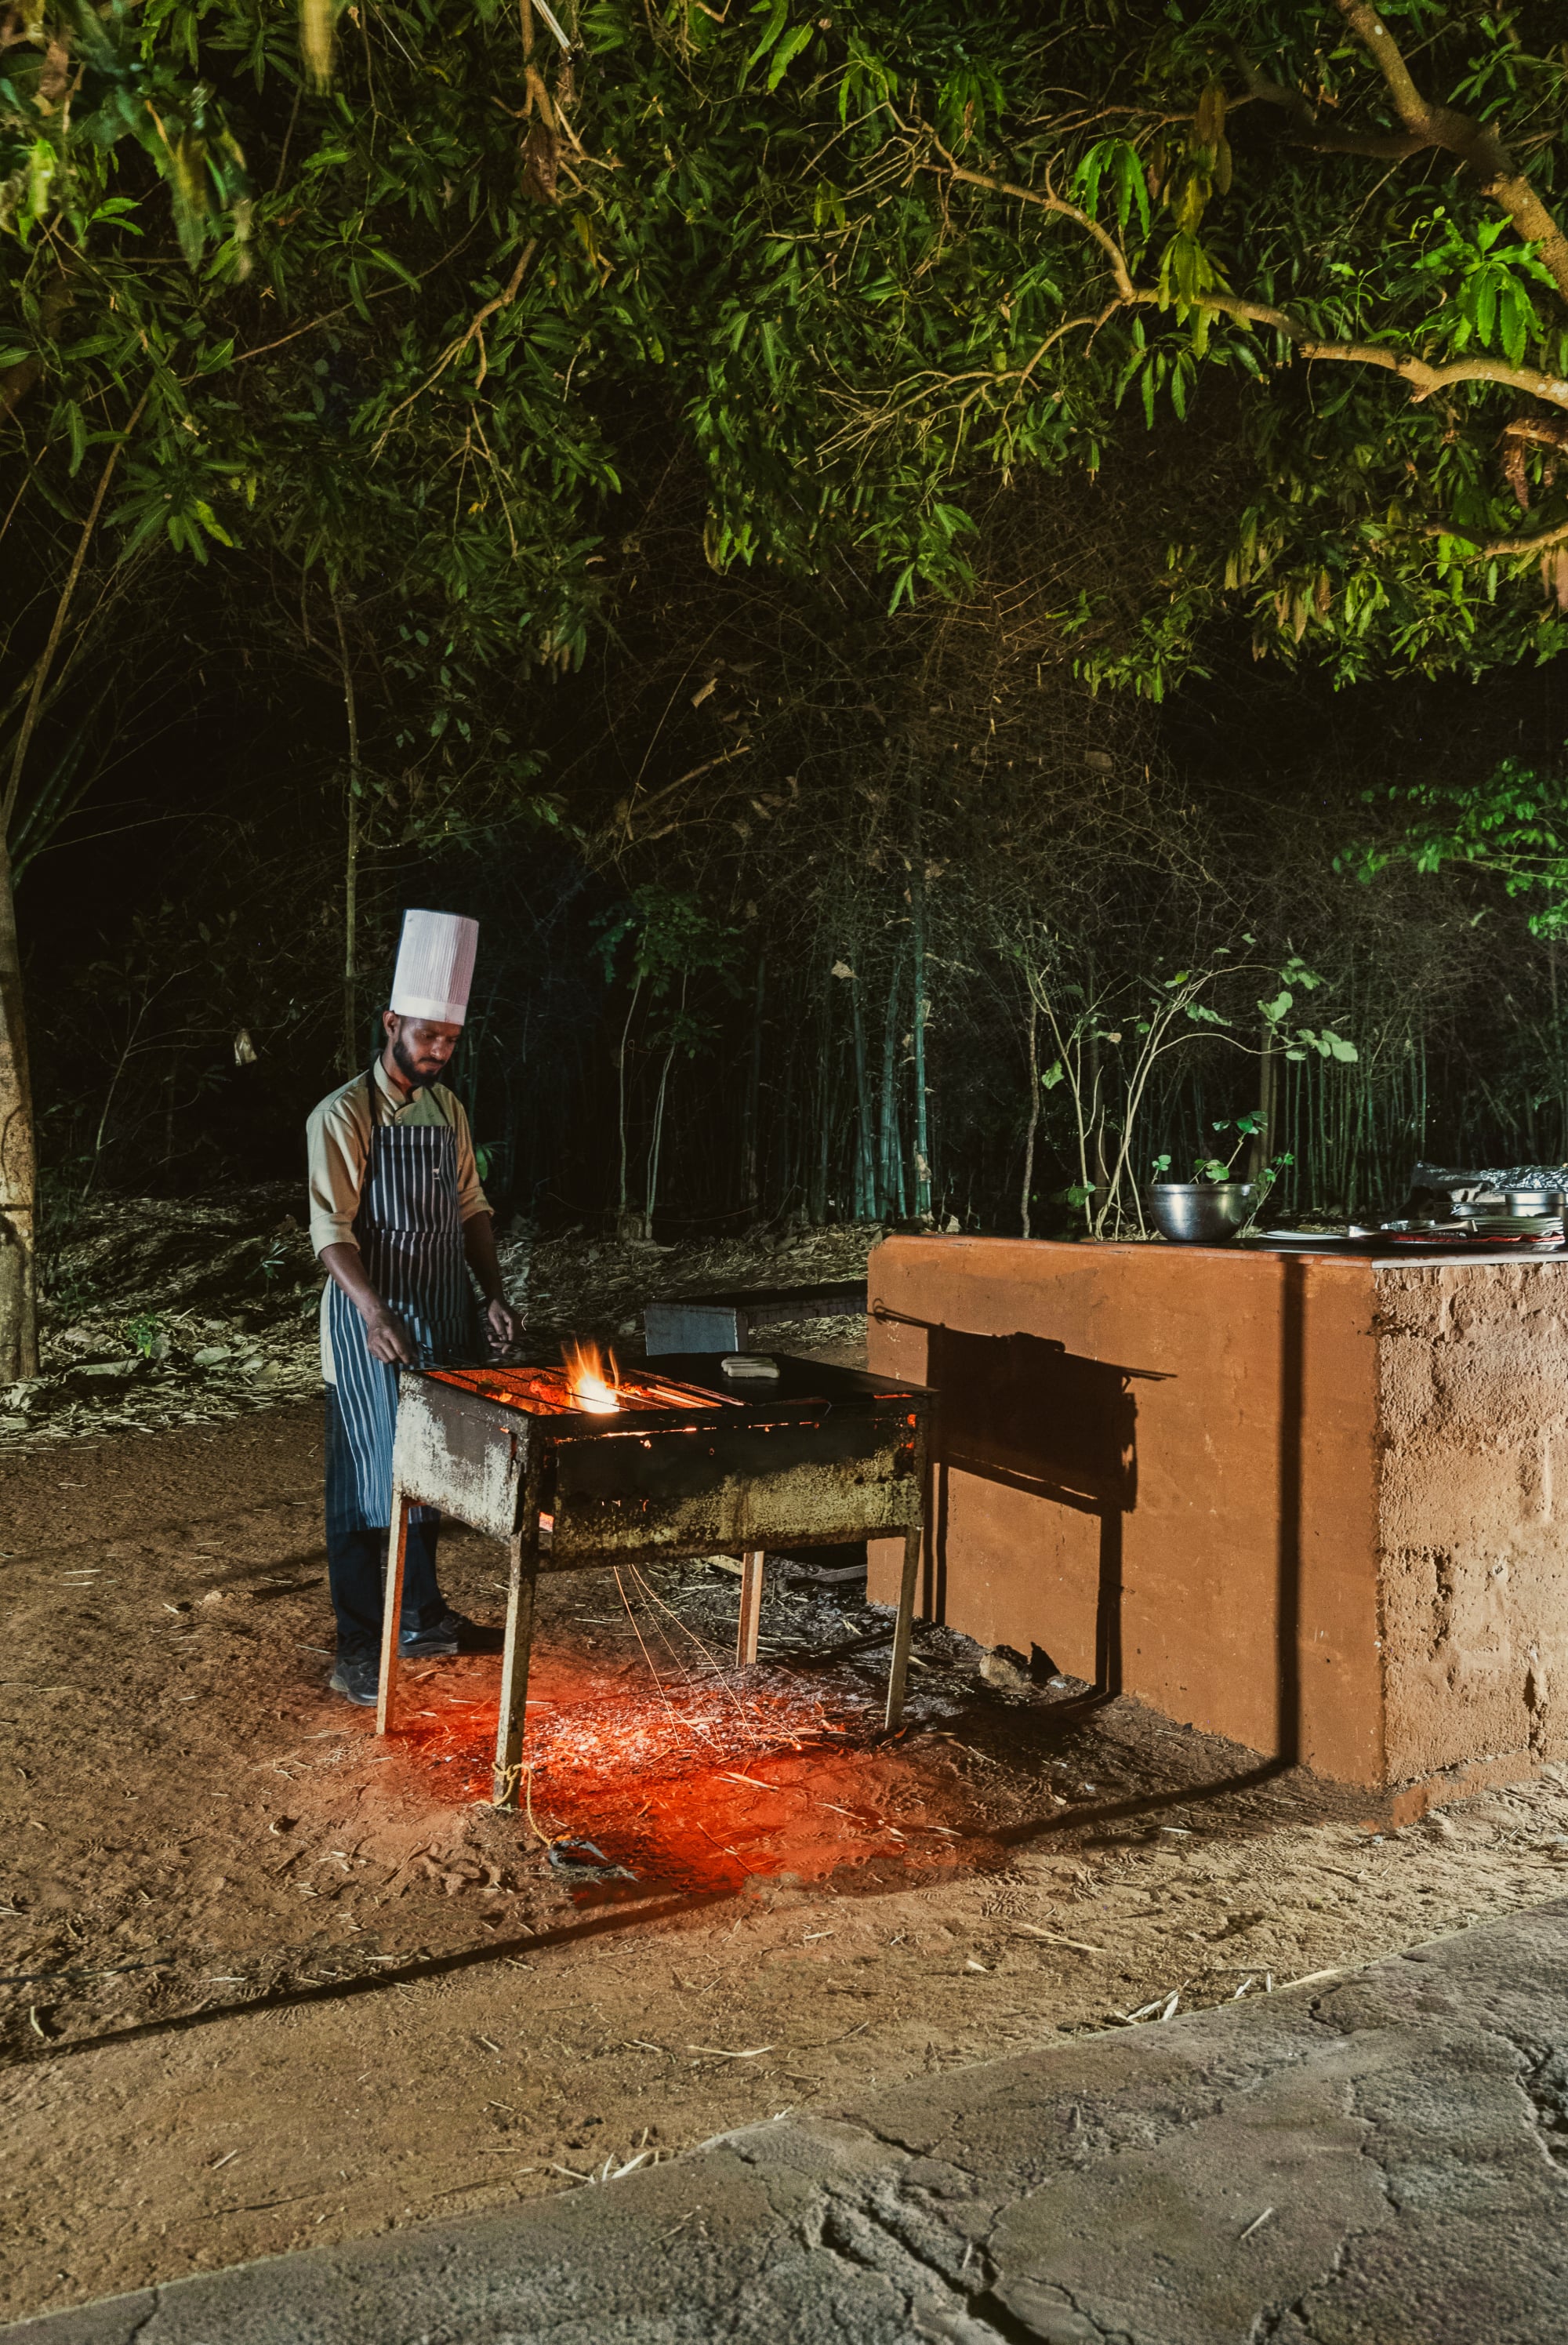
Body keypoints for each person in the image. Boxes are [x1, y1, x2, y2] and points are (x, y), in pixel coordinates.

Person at [306, 909, 521, 1705]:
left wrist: (491, 1294)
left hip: (442, 1311)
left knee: (435, 1465)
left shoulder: (448, 1112)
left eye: (450, 1042)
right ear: (391, 1023)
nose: (437, 1054)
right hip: (373, 1317)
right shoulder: (341, 1114)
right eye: (427, 1037)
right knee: (367, 1477)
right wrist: (371, 1310)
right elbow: (331, 1234)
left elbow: (471, 1209)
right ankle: (359, 1644)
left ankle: (422, 1619)